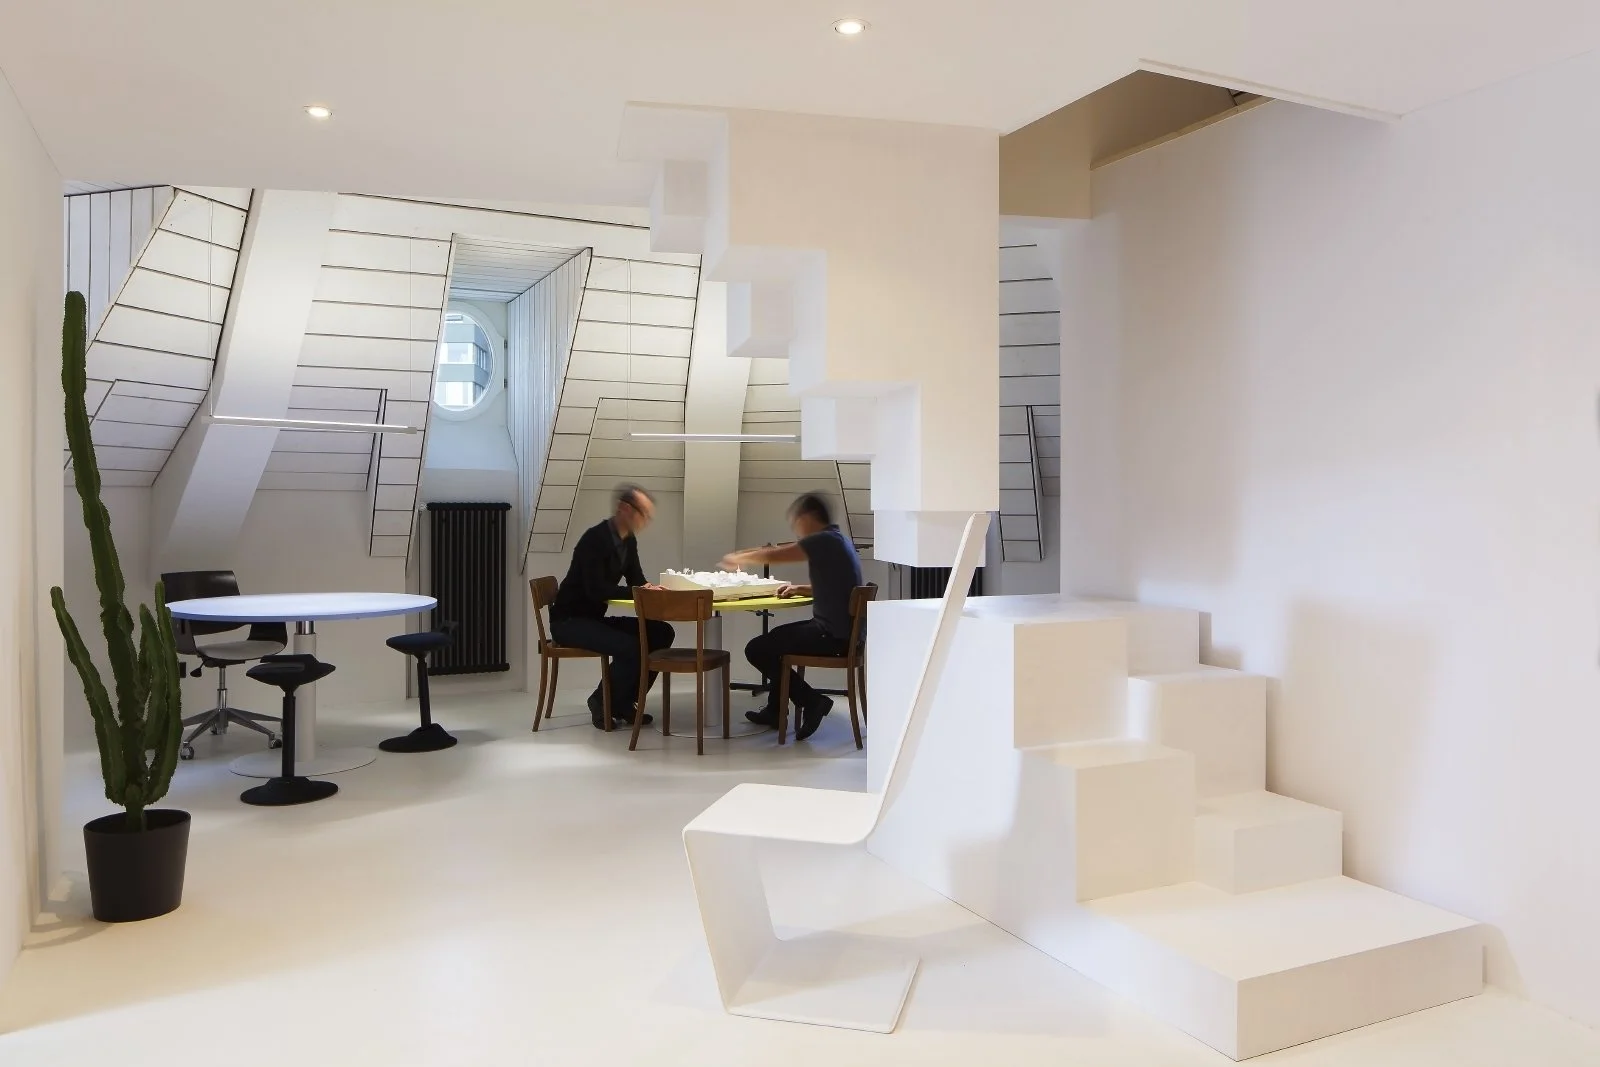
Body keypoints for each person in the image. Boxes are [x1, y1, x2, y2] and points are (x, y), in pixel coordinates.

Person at [719, 493, 863, 742]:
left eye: (796, 522)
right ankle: (775, 710)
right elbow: (837, 587)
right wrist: (799, 588)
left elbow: (778, 554)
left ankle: (812, 701)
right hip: (842, 633)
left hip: (832, 636)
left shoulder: (823, 540)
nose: (796, 529)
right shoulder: (838, 540)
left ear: (808, 518)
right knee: (776, 639)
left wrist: (739, 558)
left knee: (757, 648)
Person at [550, 485, 674, 729]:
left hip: (593, 619)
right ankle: (601, 701)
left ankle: (625, 701)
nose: (645, 520)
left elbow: (636, 579)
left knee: (661, 632)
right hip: (569, 621)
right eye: (643, 513)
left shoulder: (628, 540)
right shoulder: (594, 539)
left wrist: (650, 588)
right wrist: (640, 591)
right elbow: (596, 590)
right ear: (624, 508)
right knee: (629, 646)